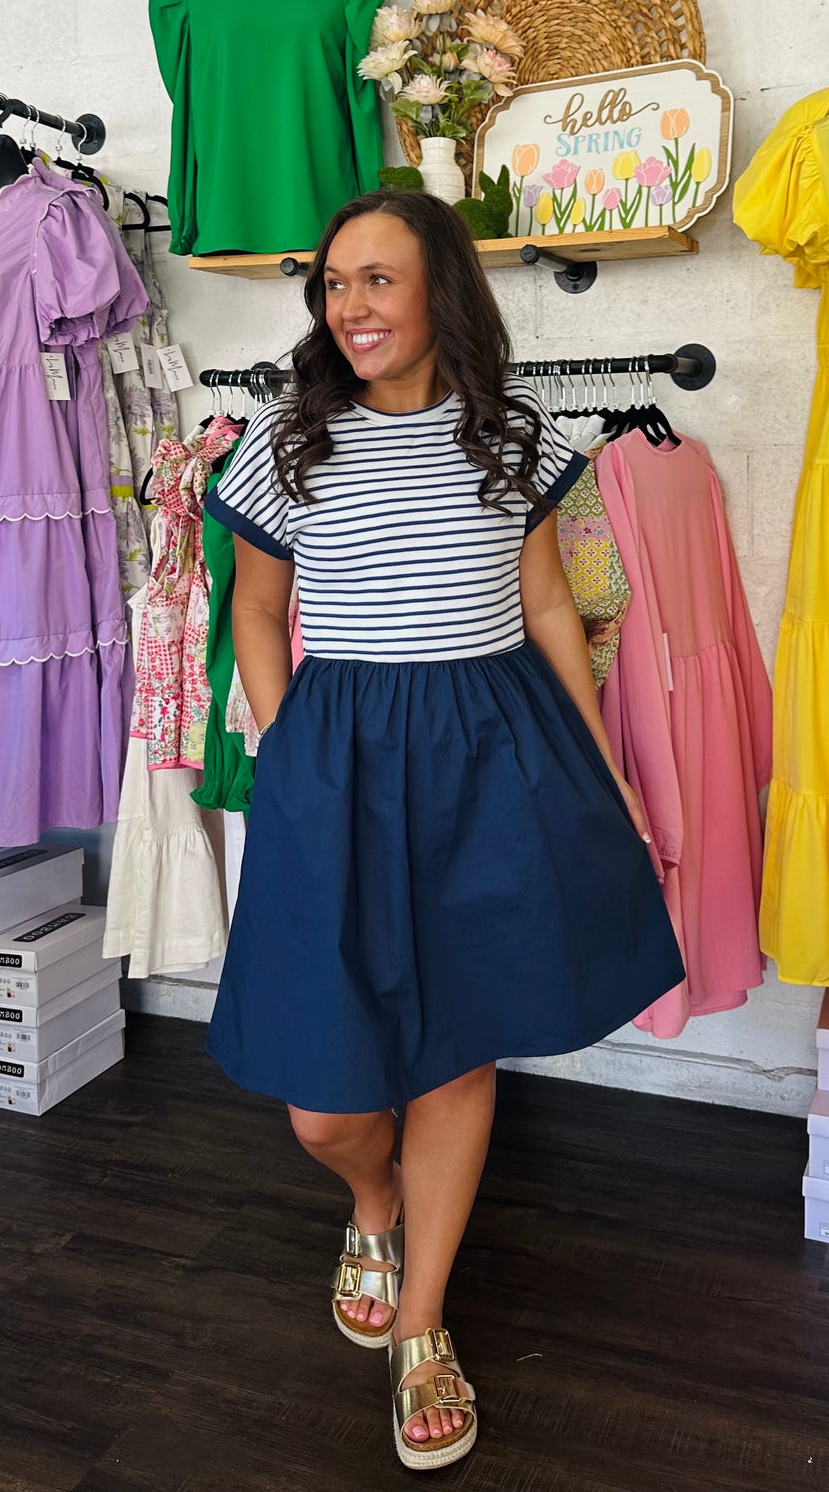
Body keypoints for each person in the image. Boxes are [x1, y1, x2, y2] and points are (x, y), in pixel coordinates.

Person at [203, 187, 685, 1470]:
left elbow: (546, 614)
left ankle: (423, 1321)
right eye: (333, 284)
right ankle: (372, 1201)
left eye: (376, 280)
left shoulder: (513, 438)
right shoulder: (283, 444)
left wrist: (604, 765)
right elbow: (257, 609)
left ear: (438, 291)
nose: (348, 307)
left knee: (455, 1050)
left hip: (487, 758)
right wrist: (285, 736)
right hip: (339, 762)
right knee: (324, 1100)